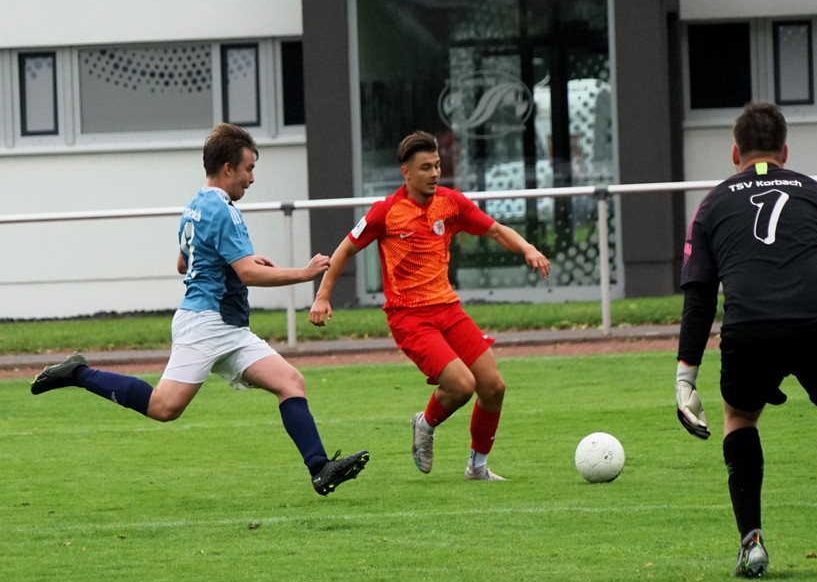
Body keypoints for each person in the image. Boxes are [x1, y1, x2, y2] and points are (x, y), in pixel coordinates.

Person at [30, 123, 369, 497]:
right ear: (228, 168)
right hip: (205, 323)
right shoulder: (223, 209)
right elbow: (248, 274)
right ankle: (78, 373)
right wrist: (304, 273)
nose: (252, 178)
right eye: (249, 169)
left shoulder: (195, 205)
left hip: (228, 326)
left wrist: (235, 259)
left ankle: (320, 468)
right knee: (164, 407)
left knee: (290, 382)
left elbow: (183, 263)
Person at [674, 101, 817, 578]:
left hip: (751, 328)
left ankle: (752, 544)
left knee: (740, 416)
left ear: (734, 153)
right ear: (785, 151)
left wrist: (685, 379)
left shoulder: (712, 205)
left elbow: (699, 299)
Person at [309, 130, 551, 480]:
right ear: (405, 172)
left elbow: (496, 230)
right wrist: (322, 297)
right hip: (409, 317)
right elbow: (345, 249)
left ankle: (477, 467)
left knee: (493, 386)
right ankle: (425, 423)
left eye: (437, 165)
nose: (435, 173)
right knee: (462, 385)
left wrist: (528, 248)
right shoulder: (386, 212)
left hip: (448, 309)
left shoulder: (451, 203)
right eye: (426, 167)